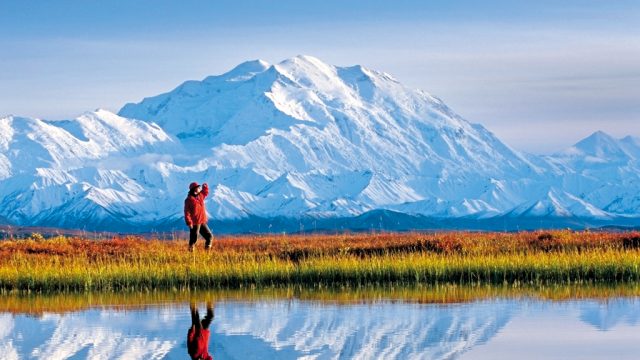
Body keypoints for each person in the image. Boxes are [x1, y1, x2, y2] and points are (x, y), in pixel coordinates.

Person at [184, 182, 214, 251]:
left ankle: (207, 254)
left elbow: (205, 193)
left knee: (209, 236)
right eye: (198, 188)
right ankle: (191, 255)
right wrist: (189, 222)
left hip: (202, 221)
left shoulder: (200, 196)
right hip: (194, 223)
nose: (199, 189)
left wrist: (205, 187)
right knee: (193, 240)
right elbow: (187, 212)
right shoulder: (188, 200)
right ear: (194, 189)